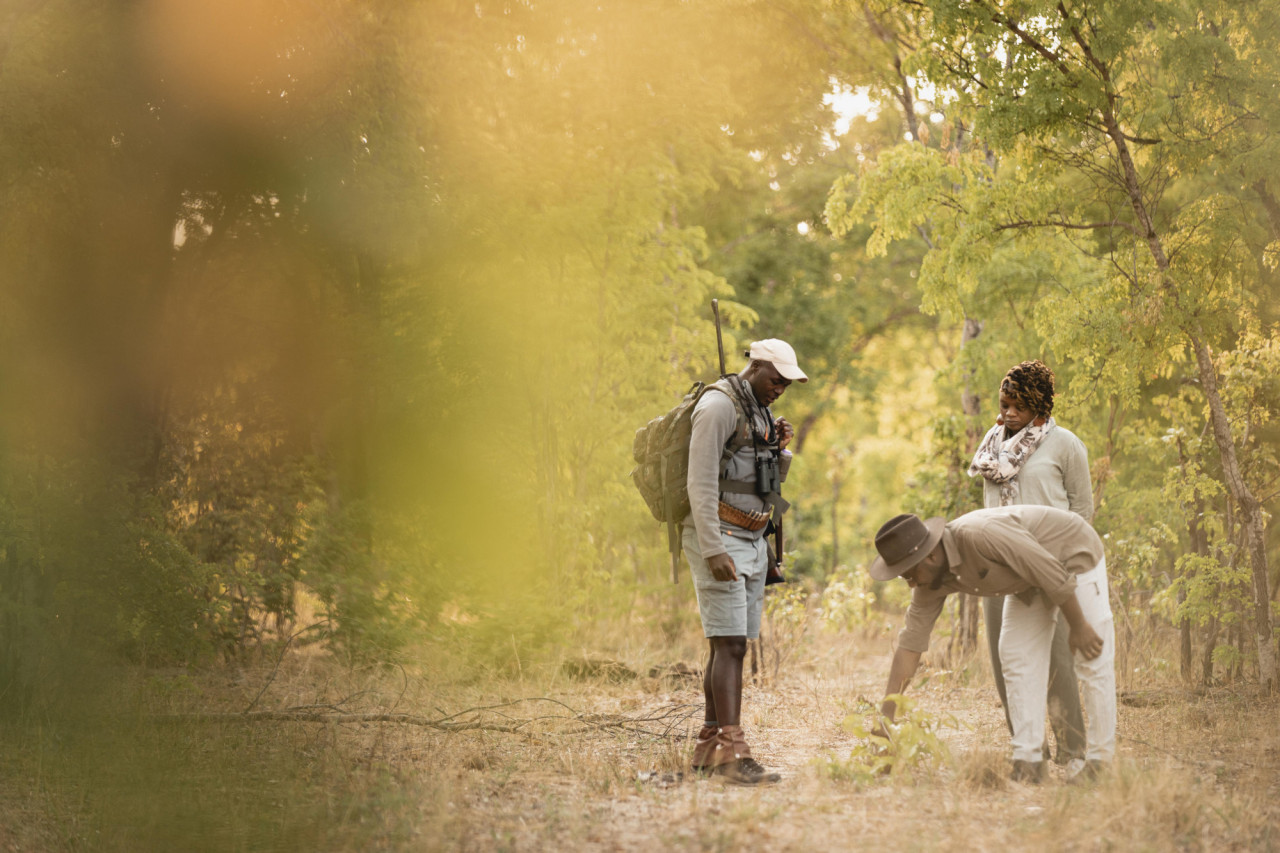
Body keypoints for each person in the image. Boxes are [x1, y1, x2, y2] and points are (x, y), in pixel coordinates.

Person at [869, 506, 1116, 783]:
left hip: (1071, 552)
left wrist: (1079, 626)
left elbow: (1048, 569)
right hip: (1029, 577)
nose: (910, 584)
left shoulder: (980, 536)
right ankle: (1029, 762)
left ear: (931, 556)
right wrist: (885, 721)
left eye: (908, 574)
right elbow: (910, 645)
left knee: (1092, 655)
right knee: (1015, 653)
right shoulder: (929, 579)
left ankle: (1100, 763)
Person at [685, 338, 806, 786]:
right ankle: (733, 754)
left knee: (728, 644)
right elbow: (699, 483)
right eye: (776, 379)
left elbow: (763, 483)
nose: (780, 389)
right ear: (755, 367)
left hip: (753, 537)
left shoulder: (759, 409)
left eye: (787, 384)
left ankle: (708, 751)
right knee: (731, 644)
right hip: (720, 535)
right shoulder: (718, 406)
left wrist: (777, 448)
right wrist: (712, 547)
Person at [968, 359, 1092, 773]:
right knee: (1007, 662)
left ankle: (1073, 752)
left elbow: (1081, 511)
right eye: (1004, 405)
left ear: (1039, 406)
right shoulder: (992, 445)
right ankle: (1028, 749)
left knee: (1056, 660)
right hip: (996, 566)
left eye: (1016, 406)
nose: (1006, 414)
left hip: (1044, 564)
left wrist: (1066, 566)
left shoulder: (1065, 445)